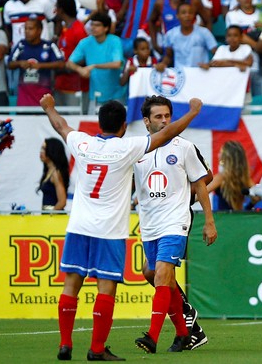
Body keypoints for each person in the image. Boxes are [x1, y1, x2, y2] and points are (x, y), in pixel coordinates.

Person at [41, 93, 202, 361]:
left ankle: (65, 344)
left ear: (98, 123)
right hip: (108, 230)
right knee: (106, 289)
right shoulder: (127, 147)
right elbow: (166, 135)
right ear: (124, 125)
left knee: (71, 285)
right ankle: (96, 349)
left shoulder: (82, 142)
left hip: (78, 225)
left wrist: (49, 107)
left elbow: (60, 126)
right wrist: (193, 112)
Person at [132, 96, 217, 354]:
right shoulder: (137, 149)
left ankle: (152, 337)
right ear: (146, 121)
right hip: (149, 223)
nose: (164, 121)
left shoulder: (183, 146)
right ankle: (185, 329)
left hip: (176, 220)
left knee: (161, 274)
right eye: (158, 117)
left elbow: (202, 181)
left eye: (167, 116)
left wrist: (209, 221)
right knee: (150, 273)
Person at [67, 12, 124, 114]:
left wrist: (94, 66)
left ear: (106, 28)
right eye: (92, 24)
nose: (93, 27)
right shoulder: (85, 42)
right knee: (93, 126)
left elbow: (117, 64)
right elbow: (70, 63)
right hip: (95, 95)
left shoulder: (115, 41)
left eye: (97, 25)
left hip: (116, 94)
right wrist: (80, 70)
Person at [8, 18, 65, 106]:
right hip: (24, 98)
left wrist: (40, 66)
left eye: (30, 29)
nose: (27, 31)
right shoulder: (21, 45)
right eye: (25, 29)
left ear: (39, 30)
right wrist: (19, 63)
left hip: (44, 97)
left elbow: (61, 63)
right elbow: (10, 64)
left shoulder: (49, 46)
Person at [156, 3, 217, 71]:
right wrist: (163, 64)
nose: (187, 15)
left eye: (190, 13)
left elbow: (216, 53)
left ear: (194, 15)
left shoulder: (204, 32)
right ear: (177, 16)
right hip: (181, 75)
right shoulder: (171, 34)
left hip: (201, 74)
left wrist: (210, 64)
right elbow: (168, 56)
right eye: (183, 13)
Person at [54, 0, 89, 110]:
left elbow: (85, 57)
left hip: (75, 87)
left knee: (73, 122)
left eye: (56, 7)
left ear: (61, 9)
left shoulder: (78, 30)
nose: (54, 11)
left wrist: (67, 68)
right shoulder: (65, 28)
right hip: (61, 84)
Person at [207, 140, 254, 211]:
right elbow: (257, 197)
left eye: (221, 153)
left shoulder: (221, 177)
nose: (218, 155)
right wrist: (249, 206)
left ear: (227, 158)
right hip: (239, 218)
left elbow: (200, 194)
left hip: (224, 219)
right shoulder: (245, 178)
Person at [38, 137, 69, 211]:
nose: (41, 152)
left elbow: (62, 202)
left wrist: (51, 215)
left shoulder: (55, 174)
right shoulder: (49, 171)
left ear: (52, 151)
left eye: (44, 149)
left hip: (52, 218)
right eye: (41, 148)